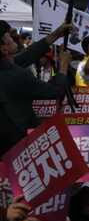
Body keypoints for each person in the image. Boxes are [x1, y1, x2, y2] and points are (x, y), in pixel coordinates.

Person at [0, 23, 73, 153]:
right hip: (20, 147)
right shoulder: (18, 76)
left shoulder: (8, 68)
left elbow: (28, 54)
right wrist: (63, 65)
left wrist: (57, 33)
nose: (12, 37)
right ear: (4, 49)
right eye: (8, 37)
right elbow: (55, 90)